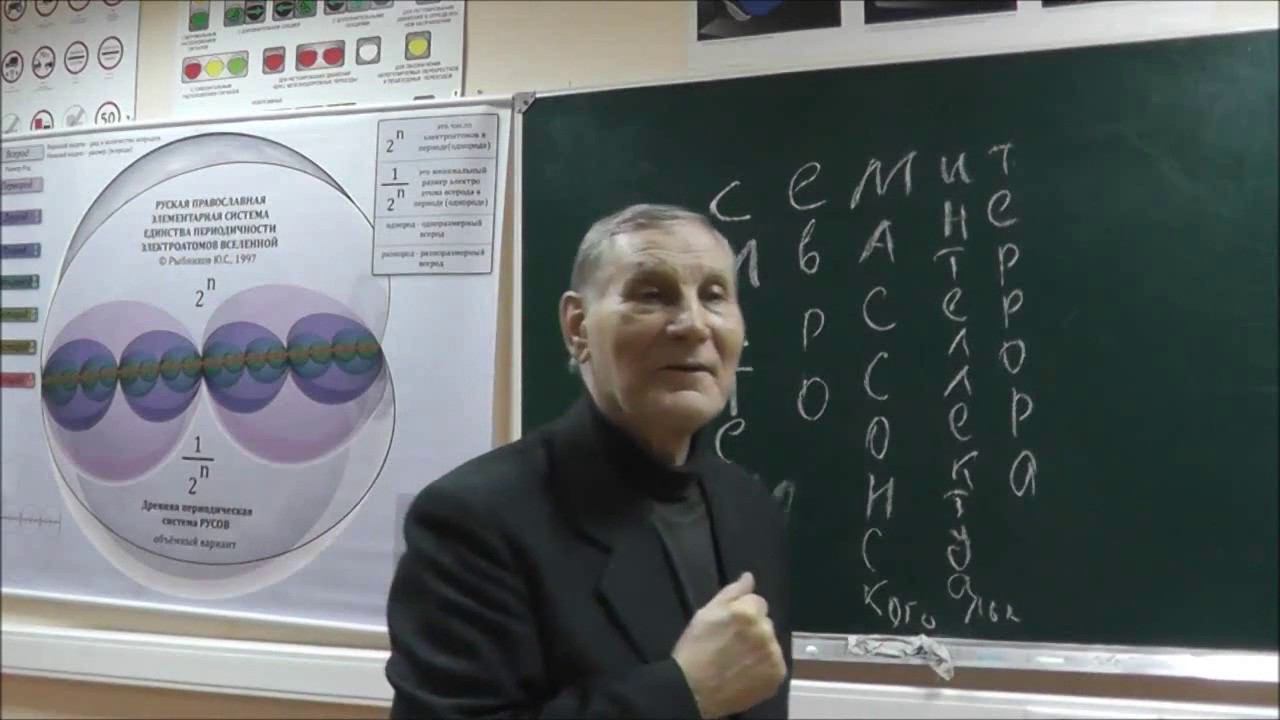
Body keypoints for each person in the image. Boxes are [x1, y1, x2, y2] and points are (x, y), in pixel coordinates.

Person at [385, 204, 791, 718]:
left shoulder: (749, 509)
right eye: (652, 295)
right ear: (578, 327)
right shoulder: (474, 522)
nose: (693, 325)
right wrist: (681, 692)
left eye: (713, 295)